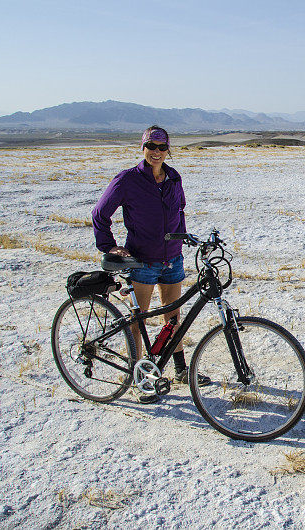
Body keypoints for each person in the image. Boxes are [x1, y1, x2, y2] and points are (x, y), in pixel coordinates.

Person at [92, 125, 209, 403]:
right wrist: (109, 246)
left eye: (162, 147)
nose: (156, 152)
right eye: (151, 146)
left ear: (168, 149)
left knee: (174, 317)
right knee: (139, 321)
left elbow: (179, 209)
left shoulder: (173, 177)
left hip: (173, 259)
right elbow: (100, 213)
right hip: (143, 261)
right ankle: (139, 378)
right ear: (142, 147)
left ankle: (180, 370)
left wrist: (182, 238)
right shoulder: (127, 180)